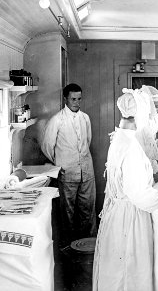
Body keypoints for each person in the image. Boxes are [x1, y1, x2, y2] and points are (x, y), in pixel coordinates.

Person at [93, 92, 158, 291]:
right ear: (140, 115)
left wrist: (157, 176)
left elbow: (129, 179)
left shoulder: (121, 139)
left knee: (118, 274)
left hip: (118, 215)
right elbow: (138, 194)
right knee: (131, 274)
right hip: (130, 218)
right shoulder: (131, 147)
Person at [41, 83, 96, 245]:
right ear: (65, 98)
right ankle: (69, 247)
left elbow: (87, 141)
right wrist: (61, 163)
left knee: (88, 209)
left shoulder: (85, 118)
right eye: (73, 99)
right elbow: (47, 147)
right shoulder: (57, 120)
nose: (76, 102)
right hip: (67, 172)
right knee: (68, 212)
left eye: (79, 99)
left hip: (86, 170)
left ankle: (88, 246)